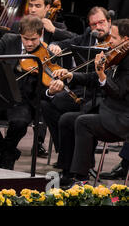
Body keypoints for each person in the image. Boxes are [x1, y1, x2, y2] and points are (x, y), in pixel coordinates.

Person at [0, 15, 65, 170]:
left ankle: (4, 156)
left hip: (24, 99)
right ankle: (7, 154)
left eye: (34, 39)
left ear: (41, 34)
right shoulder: (8, 40)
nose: (30, 43)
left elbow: (48, 84)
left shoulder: (46, 52)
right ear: (20, 34)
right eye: (26, 39)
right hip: (1, 94)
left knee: (20, 123)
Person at [49, 18, 129, 187]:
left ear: (126, 39)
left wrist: (102, 75)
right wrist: (71, 75)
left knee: (83, 122)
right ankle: (67, 172)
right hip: (108, 111)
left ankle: (81, 178)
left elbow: (119, 92)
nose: (109, 41)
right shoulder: (118, 55)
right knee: (67, 120)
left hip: (121, 118)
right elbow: (93, 78)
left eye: (113, 38)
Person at [41, 6, 113, 156]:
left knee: (76, 113)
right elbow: (71, 42)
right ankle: (66, 153)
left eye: (101, 22)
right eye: (94, 24)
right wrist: (55, 46)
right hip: (84, 86)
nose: (98, 27)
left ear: (109, 21)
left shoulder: (116, 40)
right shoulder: (89, 35)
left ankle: (79, 157)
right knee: (47, 104)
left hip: (104, 90)